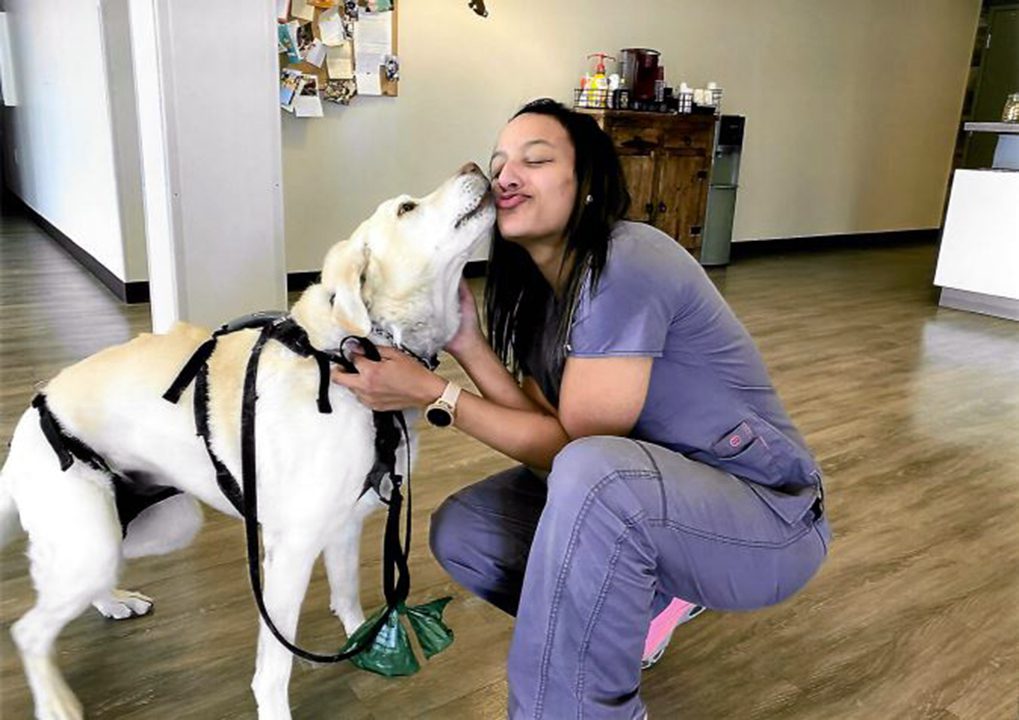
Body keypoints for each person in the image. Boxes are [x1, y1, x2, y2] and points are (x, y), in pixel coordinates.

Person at [332, 98, 831, 719]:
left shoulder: (629, 258)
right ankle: (642, 606)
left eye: (534, 160)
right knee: (468, 529)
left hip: (768, 522)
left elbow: (580, 454)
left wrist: (436, 395)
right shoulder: (545, 296)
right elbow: (553, 439)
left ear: (588, 184)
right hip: (656, 499)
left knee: (596, 476)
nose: (505, 176)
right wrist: (468, 343)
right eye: (499, 163)